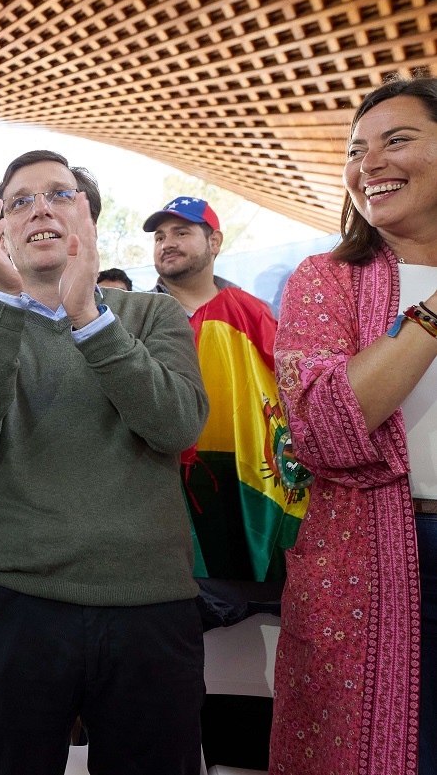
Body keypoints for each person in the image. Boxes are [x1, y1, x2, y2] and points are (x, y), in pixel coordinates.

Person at [0, 149, 208, 773]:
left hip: (148, 606)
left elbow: (176, 424)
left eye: (59, 194)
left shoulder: (152, 313)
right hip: (15, 605)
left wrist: (88, 315)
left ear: (88, 217)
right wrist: (5, 302)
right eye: (19, 200)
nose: (40, 208)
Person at [271, 76, 437, 774]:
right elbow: (322, 425)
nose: (370, 162)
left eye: (397, 139)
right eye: (356, 150)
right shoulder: (326, 278)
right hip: (368, 564)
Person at [146, 197, 308, 582]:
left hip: (240, 490)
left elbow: (292, 394)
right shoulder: (133, 315)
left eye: (181, 232)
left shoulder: (252, 312)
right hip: (156, 490)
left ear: (214, 242)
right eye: (159, 236)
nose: (166, 243)